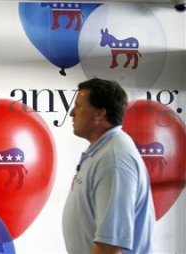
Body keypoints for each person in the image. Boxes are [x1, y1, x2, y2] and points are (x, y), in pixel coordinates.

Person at [62, 78, 155, 254]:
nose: (72, 112)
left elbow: (109, 246)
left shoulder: (114, 160)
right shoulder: (103, 150)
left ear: (100, 114)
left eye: (78, 105)